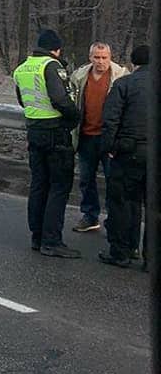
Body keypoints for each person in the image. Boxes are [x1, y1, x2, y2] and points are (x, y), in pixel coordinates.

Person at [12, 29, 81, 258]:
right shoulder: (51, 66)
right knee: (59, 187)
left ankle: (37, 237)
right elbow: (61, 99)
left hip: (34, 130)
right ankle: (52, 241)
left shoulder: (21, 68)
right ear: (56, 49)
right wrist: (74, 118)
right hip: (55, 132)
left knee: (39, 184)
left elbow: (23, 100)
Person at [98, 44, 150, 269]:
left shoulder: (123, 84)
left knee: (123, 202)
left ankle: (122, 251)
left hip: (129, 153)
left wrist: (109, 148)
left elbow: (110, 120)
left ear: (133, 63)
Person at [69, 43, 128, 233]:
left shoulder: (121, 76)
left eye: (104, 57)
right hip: (86, 135)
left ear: (110, 57)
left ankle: (114, 219)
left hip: (110, 138)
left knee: (114, 181)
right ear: (90, 57)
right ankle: (90, 215)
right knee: (86, 179)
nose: (100, 61)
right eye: (96, 57)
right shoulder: (80, 77)